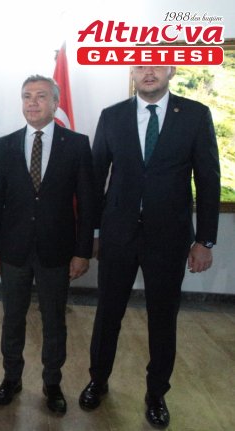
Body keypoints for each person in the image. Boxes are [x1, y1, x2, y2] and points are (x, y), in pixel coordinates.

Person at [79, 66, 220, 428]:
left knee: (163, 318)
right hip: (117, 235)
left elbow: (208, 179)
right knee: (107, 314)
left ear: (171, 69)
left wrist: (204, 240)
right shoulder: (112, 116)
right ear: (132, 71)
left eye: (157, 63)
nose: (149, 71)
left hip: (169, 238)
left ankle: (156, 393)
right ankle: (98, 380)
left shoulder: (195, 115)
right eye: (141, 64)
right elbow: (95, 178)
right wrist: (92, 232)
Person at [0, 75, 95, 414]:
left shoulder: (76, 144)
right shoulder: (5, 144)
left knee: (54, 322)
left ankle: (52, 383)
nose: (32, 102)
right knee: (12, 319)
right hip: (13, 250)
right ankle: (11, 378)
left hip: (57, 251)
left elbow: (87, 202)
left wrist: (82, 251)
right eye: (27, 96)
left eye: (41, 96)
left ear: (56, 103)